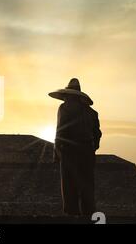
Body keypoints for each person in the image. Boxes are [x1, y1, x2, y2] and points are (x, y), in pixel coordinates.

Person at [48, 78, 102, 216]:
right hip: (87, 153)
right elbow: (97, 135)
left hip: (69, 152)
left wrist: (57, 153)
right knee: (87, 185)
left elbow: (60, 130)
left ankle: (72, 215)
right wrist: (92, 148)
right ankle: (88, 214)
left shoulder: (64, 108)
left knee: (69, 184)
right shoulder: (92, 113)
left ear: (68, 95)